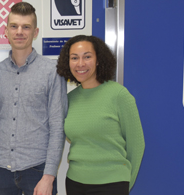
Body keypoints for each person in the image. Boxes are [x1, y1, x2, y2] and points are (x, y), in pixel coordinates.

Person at [0, 2, 68, 195]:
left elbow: (57, 127)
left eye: (26, 27)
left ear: (35, 32)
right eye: (14, 26)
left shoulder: (52, 71)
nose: (19, 31)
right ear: (6, 31)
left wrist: (49, 175)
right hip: (0, 170)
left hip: (37, 170)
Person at [56, 35, 145, 195]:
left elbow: (137, 144)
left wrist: (124, 183)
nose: (80, 63)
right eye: (74, 58)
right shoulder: (70, 99)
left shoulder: (119, 95)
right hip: (75, 182)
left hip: (111, 183)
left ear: (98, 60)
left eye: (87, 57)